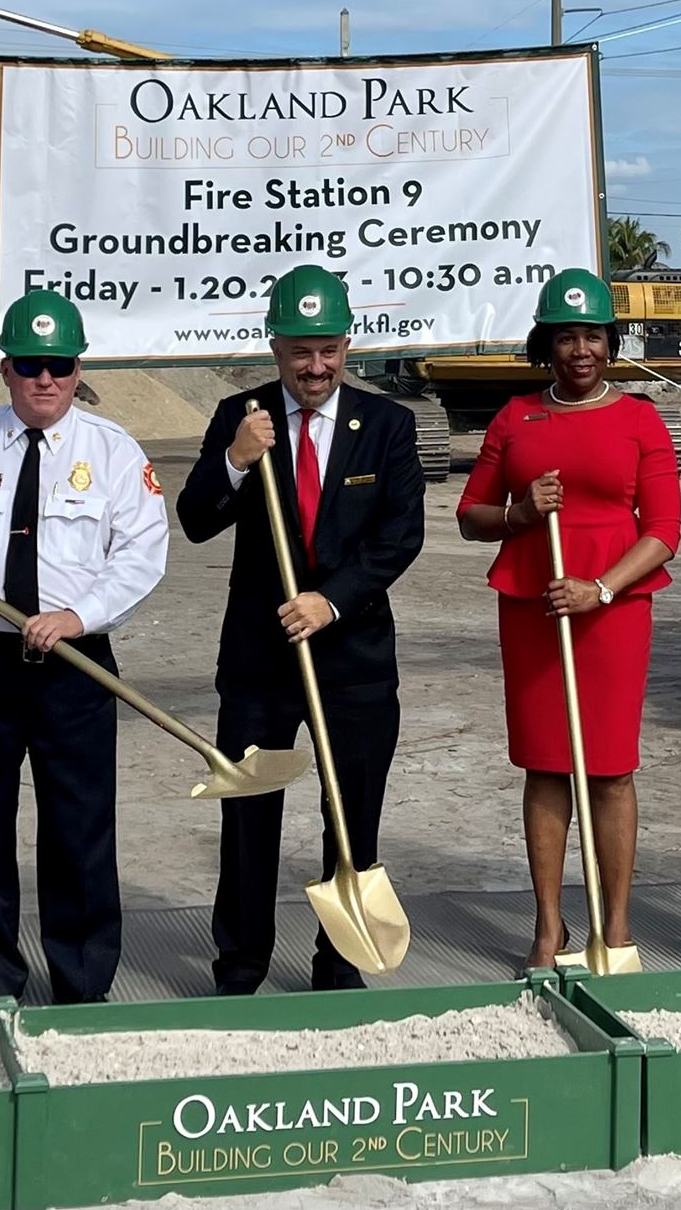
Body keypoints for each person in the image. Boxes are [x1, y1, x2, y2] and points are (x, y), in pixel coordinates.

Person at [0, 287, 169, 1006]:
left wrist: (80, 615)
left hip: (74, 669)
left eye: (58, 365)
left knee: (79, 830)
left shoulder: (113, 451)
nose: (43, 379)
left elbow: (143, 553)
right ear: (6, 369)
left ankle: (81, 982)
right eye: (28, 364)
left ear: (78, 369)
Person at [177, 265, 425, 993]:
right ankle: (241, 964)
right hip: (260, 660)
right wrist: (235, 460)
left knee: (351, 812)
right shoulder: (240, 414)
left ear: (347, 344)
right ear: (274, 347)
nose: (315, 367)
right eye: (299, 352)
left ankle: (338, 964)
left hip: (353, 656)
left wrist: (330, 601)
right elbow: (195, 520)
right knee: (249, 815)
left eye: (328, 350)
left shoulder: (388, 425)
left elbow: (400, 535)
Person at [457, 269, 680, 970]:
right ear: (545, 345)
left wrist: (602, 589)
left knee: (610, 768)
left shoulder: (640, 419)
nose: (580, 350)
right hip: (534, 607)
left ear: (610, 342)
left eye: (592, 335)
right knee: (546, 765)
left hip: (613, 611)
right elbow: (470, 515)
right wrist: (521, 513)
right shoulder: (515, 416)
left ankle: (616, 927)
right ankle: (548, 928)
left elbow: (664, 530)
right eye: (565, 337)